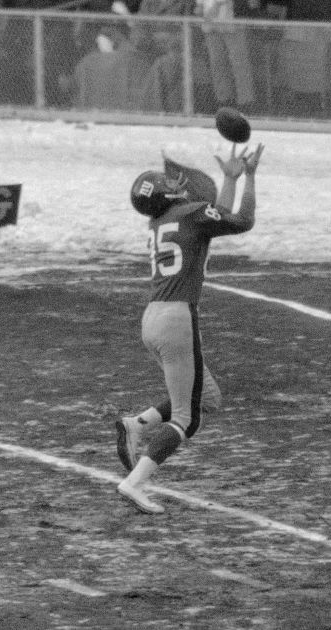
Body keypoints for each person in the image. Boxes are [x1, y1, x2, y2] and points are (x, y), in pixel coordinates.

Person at [113, 144, 264, 514]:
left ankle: (138, 423)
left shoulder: (161, 220)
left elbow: (218, 218)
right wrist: (250, 177)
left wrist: (227, 178)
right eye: (166, 181)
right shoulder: (190, 213)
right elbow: (241, 220)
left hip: (153, 318)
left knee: (207, 397)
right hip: (176, 319)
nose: (173, 181)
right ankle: (135, 482)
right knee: (187, 416)